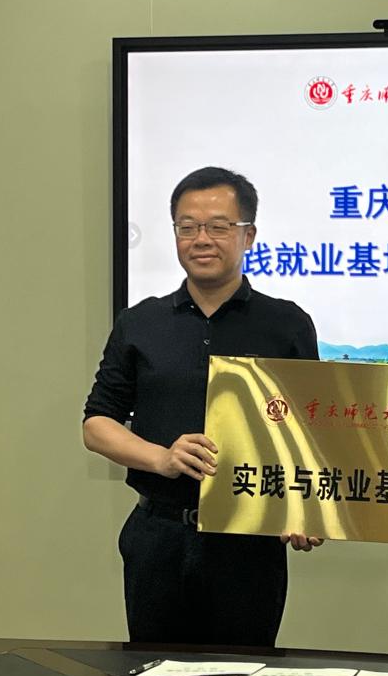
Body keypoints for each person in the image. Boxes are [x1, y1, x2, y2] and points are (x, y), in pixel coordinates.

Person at [83, 166, 322, 646]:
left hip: (249, 544)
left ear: (248, 235)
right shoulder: (140, 323)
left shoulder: (287, 324)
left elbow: (311, 433)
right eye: (187, 227)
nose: (201, 239)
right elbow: (97, 423)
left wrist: (306, 510)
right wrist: (161, 458)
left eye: (218, 226)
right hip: (159, 536)